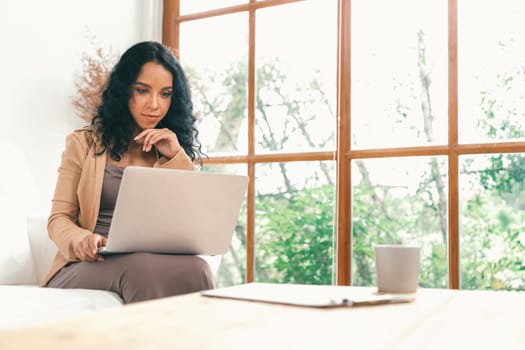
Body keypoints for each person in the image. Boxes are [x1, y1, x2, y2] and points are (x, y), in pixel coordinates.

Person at [42, 41, 215, 303]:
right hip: (85, 263)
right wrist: (81, 239)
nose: (154, 104)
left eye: (165, 93)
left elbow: (191, 223)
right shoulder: (82, 144)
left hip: (147, 258)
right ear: (125, 91)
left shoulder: (169, 151)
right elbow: (58, 219)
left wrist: (176, 156)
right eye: (143, 90)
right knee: (141, 269)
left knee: (198, 268)